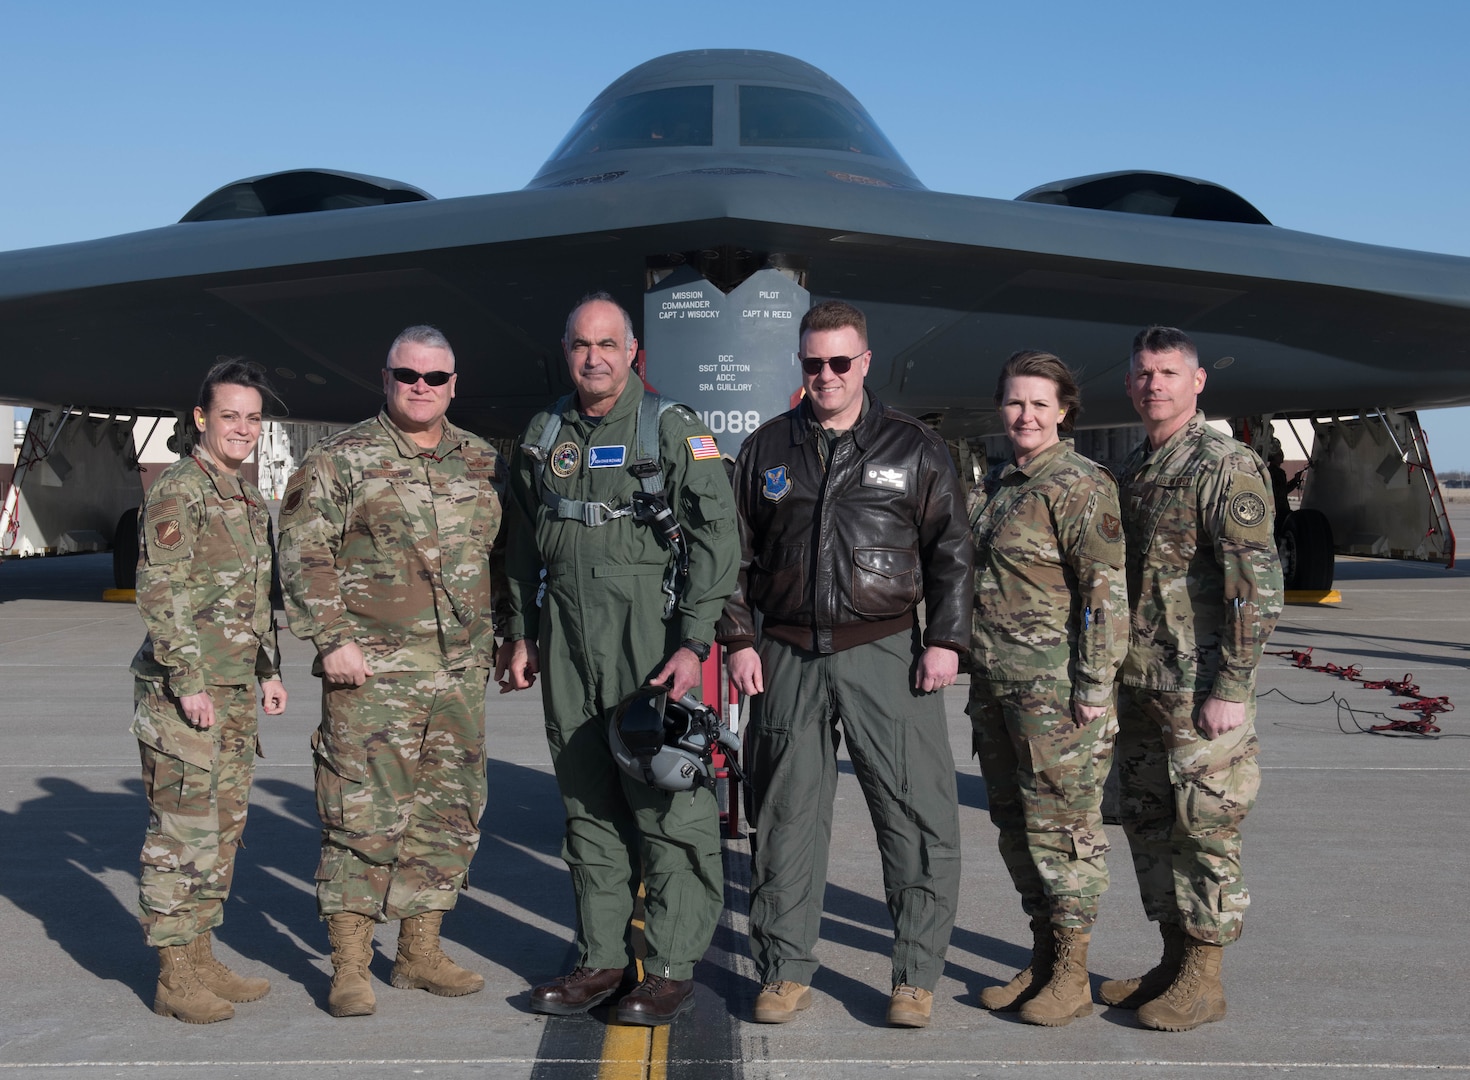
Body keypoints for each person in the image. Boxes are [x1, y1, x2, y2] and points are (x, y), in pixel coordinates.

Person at [717, 300, 973, 1029]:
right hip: (787, 652)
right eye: (812, 364)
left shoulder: (915, 448)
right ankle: (785, 967)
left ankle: (915, 976)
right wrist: (737, 639)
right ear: (799, 366)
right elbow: (730, 557)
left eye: (838, 362)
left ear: (865, 363)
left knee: (915, 814)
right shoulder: (768, 450)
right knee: (785, 815)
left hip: (886, 651)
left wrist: (947, 640)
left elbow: (951, 550)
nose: (824, 376)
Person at [495, 293, 739, 1026]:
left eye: (608, 344)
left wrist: (695, 643)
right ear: (565, 351)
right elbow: (519, 542)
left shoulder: (669, 429)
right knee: (587, 805)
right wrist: (519, 630)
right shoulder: (545, 433)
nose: (593, 358)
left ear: (633, 352)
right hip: (569, 639)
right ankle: (602, 959)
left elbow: (716, 541)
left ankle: (667, 967)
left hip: (650, 641)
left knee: (666, 801)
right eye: (580, 345)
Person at [277, 325, 503, 1018]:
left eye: (435, 378)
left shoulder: (481, 460)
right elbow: (302, 552)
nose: (421, 388)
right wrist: (332, 639)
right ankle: (349, 964)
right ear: (385, 378)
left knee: (447, 813)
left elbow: (501, 557)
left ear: (454, 385)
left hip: (459, 674)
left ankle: (419, 950)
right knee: (359, 817)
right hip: (370, 675)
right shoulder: (340, 460)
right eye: (408, 375)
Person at [1104, 325, 1282, 1031]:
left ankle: (1204, 978)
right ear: (1129, 384)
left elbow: (1255, 588)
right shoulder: (1134, 469)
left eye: (1170, 373)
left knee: (1206, 828)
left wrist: (1232, 687)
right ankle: (1172, 960)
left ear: (1197, 382)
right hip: (1142, 683)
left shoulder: (1223, 466)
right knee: (1151, 824)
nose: (1156, 385)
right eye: (1144, 374)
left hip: (1201, 687)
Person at [967, 351, 1128, 1026]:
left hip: (1057, 695)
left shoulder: (1080, 486)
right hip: (999, 685)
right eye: (1014, 402)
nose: (1025, 415)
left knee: (1065, 834)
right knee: (1016, 829)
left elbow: (1104, 592)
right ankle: (1043, 951)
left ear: (1064, 409)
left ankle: (1071, 971)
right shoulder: (1006, 484)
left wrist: (1092, 685)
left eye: (1039, 403)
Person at [131, 358, 287, 1024]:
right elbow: (160, 592)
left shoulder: (247, 498)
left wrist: (269, 670)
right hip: (183, 694)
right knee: (181, 833)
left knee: (222, 832)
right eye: (230, 416)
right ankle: (173, 975)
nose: (243, 429)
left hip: (232, 691)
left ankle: (201, 957)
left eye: (252, 419)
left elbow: (255, 600)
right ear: (201, 419)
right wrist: (189, 683)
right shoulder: (180, 491)